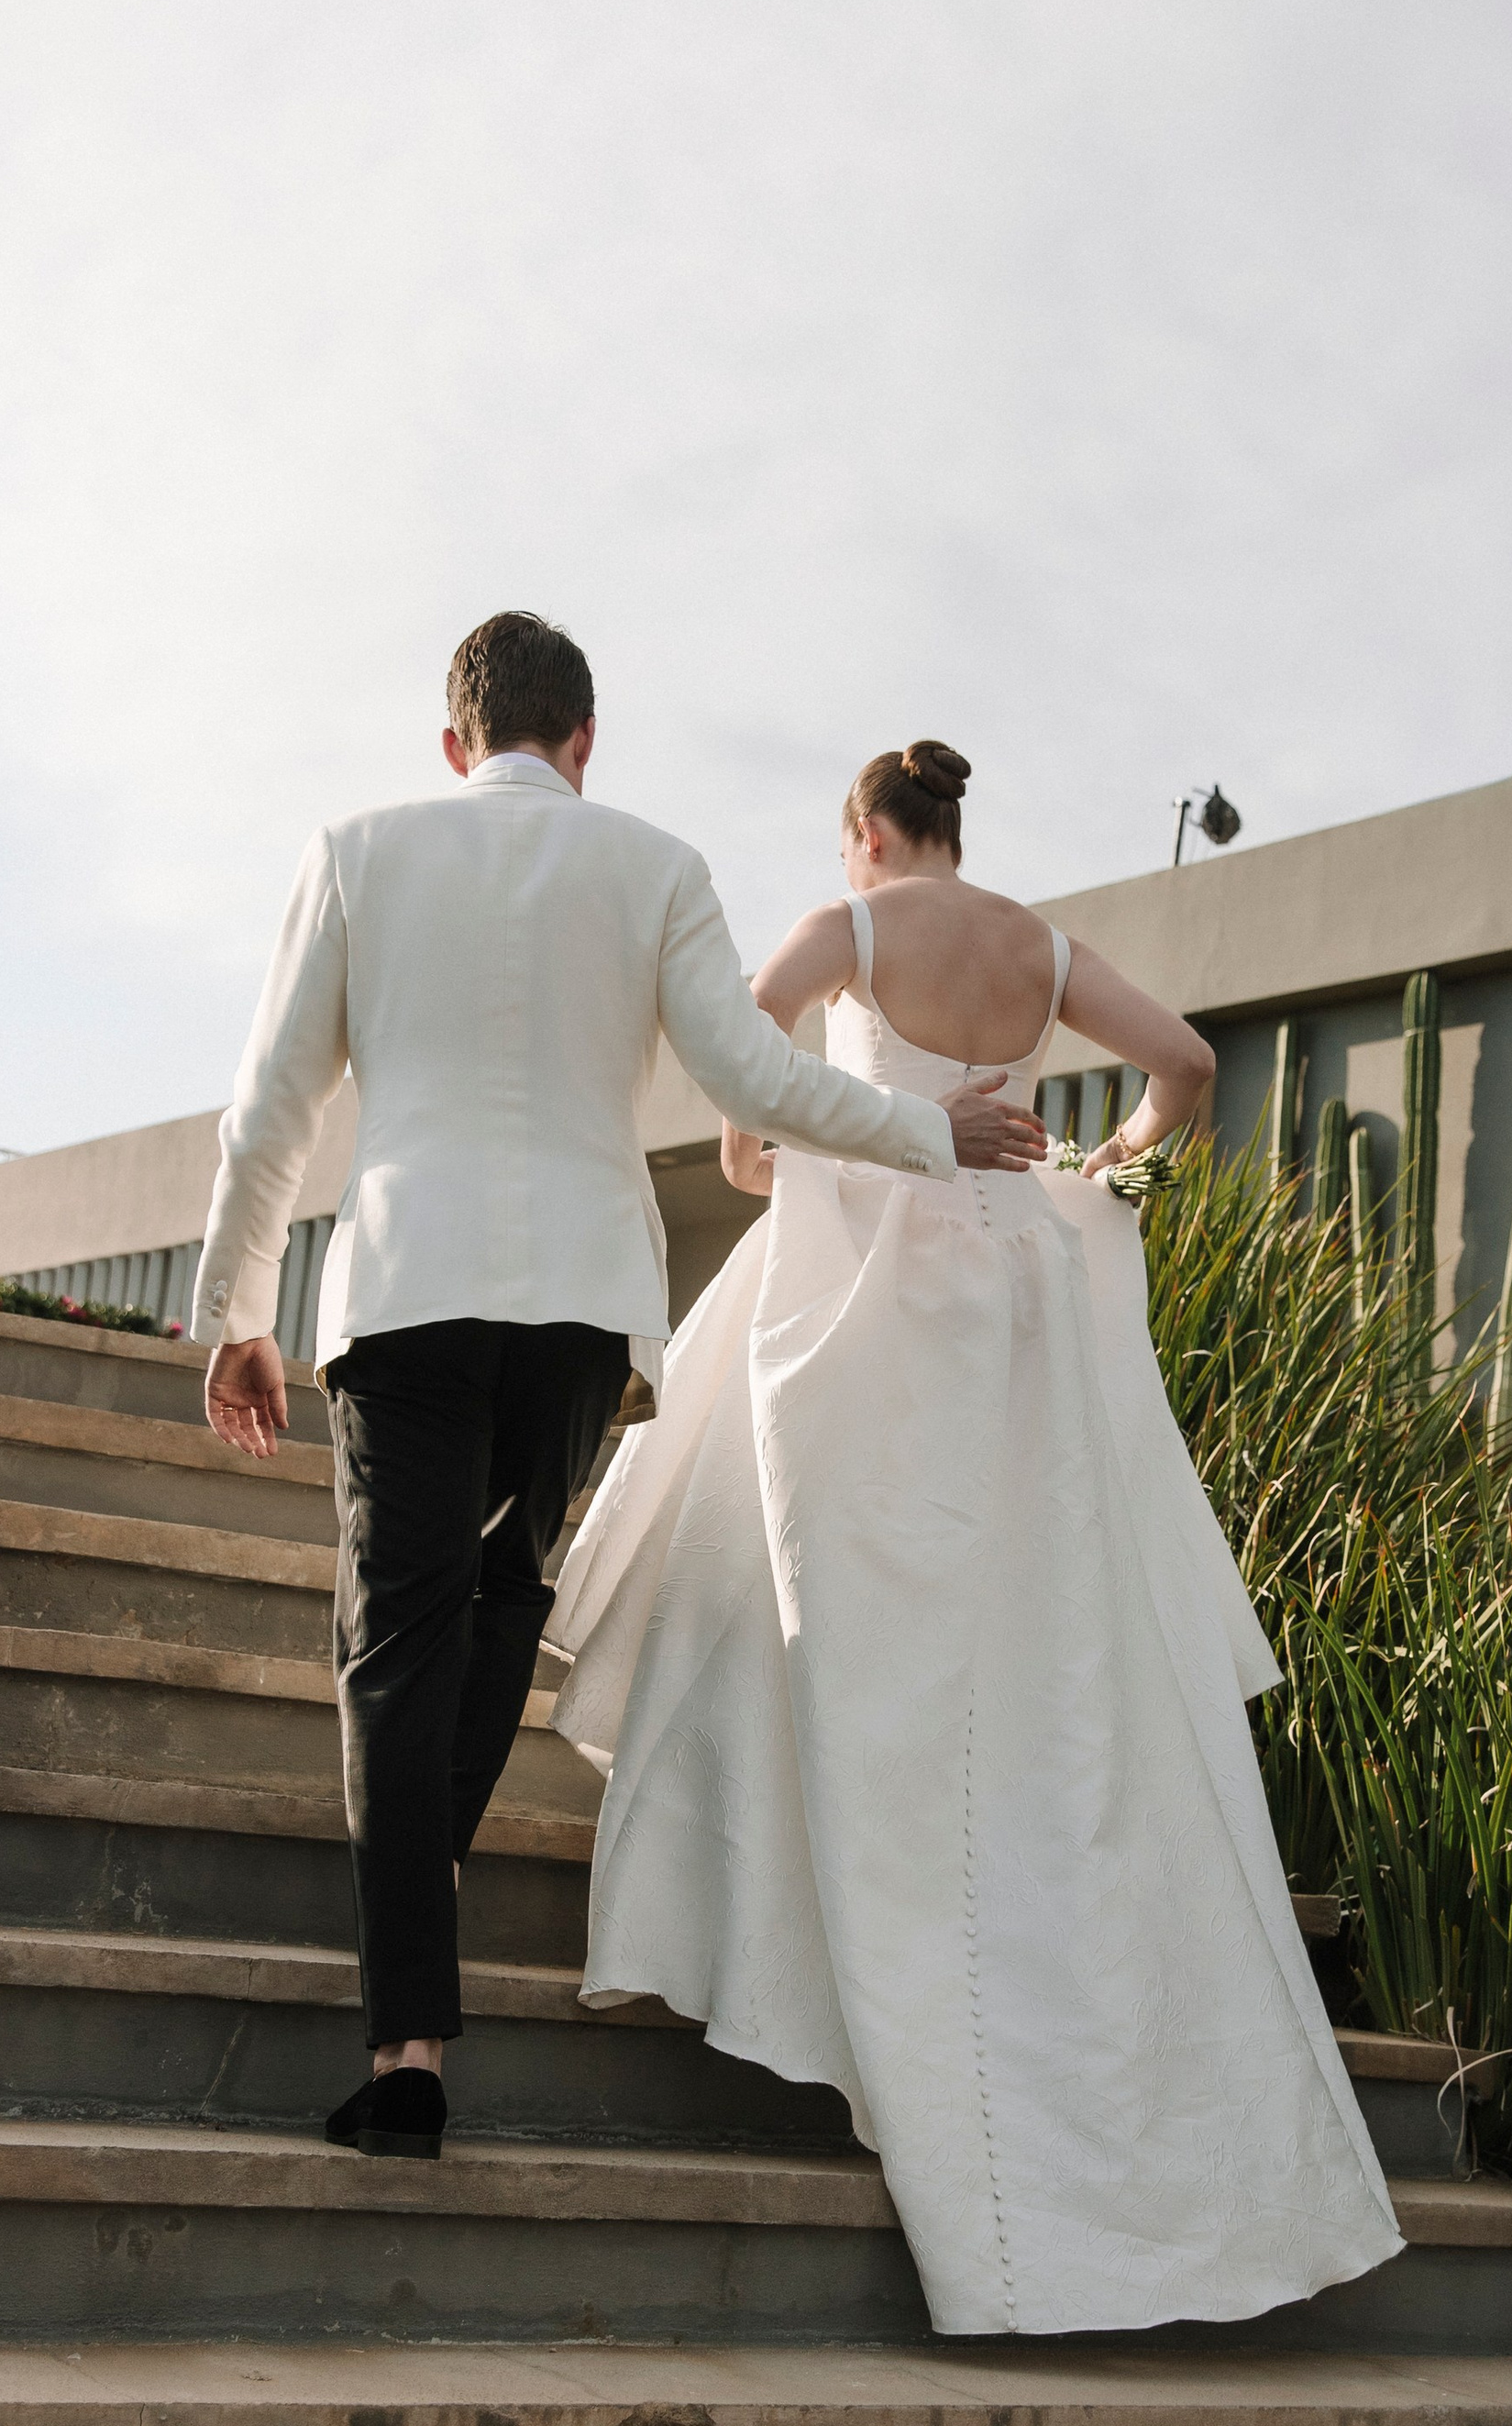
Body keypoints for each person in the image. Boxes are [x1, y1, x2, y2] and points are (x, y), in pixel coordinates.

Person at [551, 740, 1403, 2334]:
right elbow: (1193, 1066)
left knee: (836, 1590)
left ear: (872, 834)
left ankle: (810, 1922)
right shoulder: (1039, 946)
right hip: (1016, 1288)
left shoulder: (856, 927)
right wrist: (1106, 1169)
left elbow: (730, 1045)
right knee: (1023, 1623)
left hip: (865, 1272)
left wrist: (765, 1154)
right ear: (959, 828)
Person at [194, 626, 1046, 2160]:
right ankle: (423, 1906)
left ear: (457, 744)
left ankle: (408, 2052)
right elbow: (756, 1080)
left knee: (396, 1649)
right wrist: (934, 1138)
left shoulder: (358, 852)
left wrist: (233, 1313)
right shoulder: (656, 865)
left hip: (407, 1296)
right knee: (502, 1604)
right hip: (585, 1313)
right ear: (586, 738)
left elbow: (271, 1111)